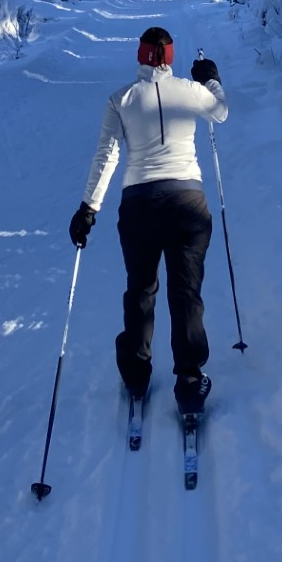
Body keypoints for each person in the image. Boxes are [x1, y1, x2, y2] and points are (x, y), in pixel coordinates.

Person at [69, 26, 229, 417]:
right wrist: (210, 78)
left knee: (141, 289)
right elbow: (220, 111)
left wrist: (89, 208)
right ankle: (189, 380)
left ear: (140, 57)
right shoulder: (190, 93)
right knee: (185, 291)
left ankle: (136, 374)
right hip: (188, 204)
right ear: (170, 57)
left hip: (139, 205)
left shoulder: (120, 99)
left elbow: (106, 158)